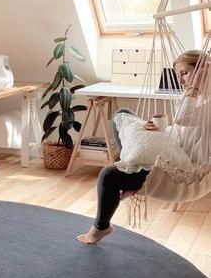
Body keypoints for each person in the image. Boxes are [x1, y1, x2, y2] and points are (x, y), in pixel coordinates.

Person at [77, 50, 210, 245]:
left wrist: (195, 87)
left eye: (185, 73)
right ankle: (130, 174)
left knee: (108, 175)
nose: (181, 81)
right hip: (174, 145)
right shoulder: (198, 98)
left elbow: (184, 118)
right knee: (122, 114)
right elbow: (184, 128)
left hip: (182, 171)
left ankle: (101, 228)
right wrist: (159, 128)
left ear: (202, 71)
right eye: (178, 75)